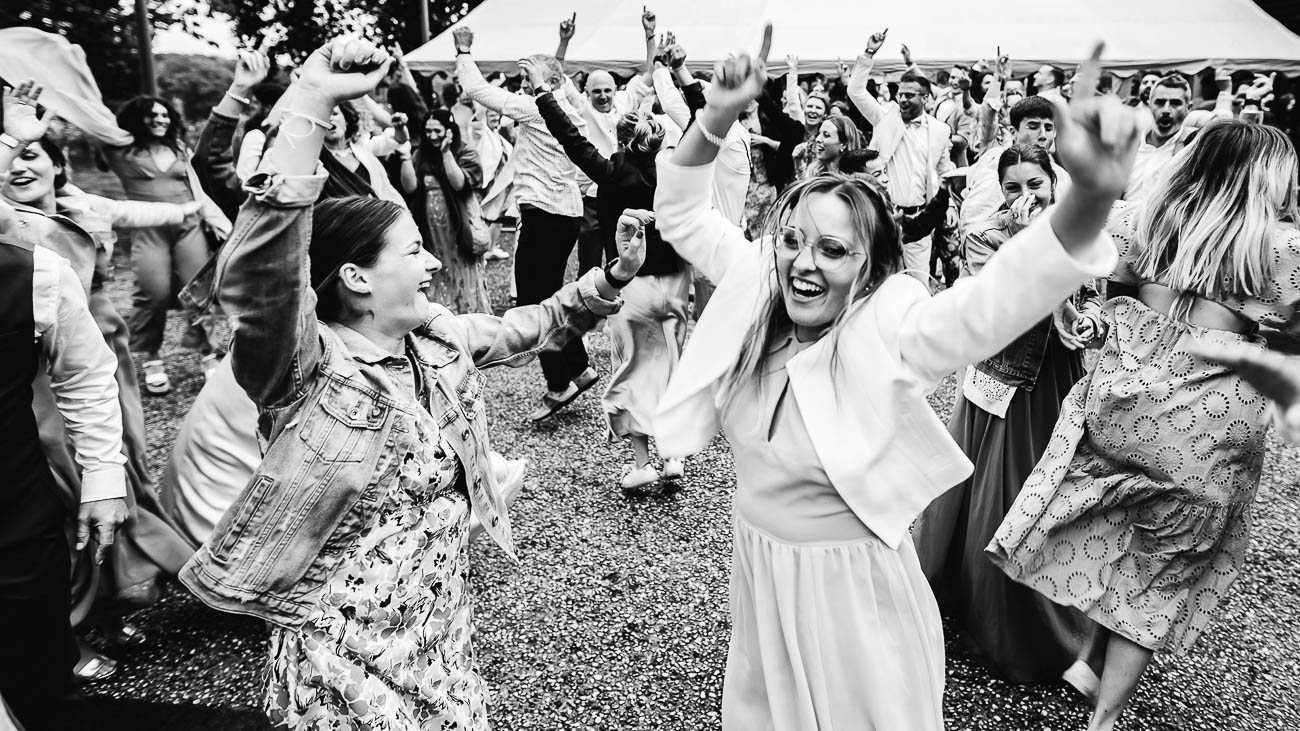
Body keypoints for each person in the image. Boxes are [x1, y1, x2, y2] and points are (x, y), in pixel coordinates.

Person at [653, 32, 1135, 730]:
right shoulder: (756, 286)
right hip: (760, 566)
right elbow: (683, 214)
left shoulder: (888, 321)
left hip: (848, 587)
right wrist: (717, 115)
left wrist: (1084, 203)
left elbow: (980, 311)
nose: (802, 264)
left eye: (832, 249)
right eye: (792, 239)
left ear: (871, 267)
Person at [177, 37, 645, 728]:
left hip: (437, 634)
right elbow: (264, 272)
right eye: (412, 250)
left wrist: (613, 276)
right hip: (341, 655)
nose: (431, 261)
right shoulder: (306, 370)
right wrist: (308, 95)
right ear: (357, 278)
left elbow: (534, 323)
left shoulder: (438, 340)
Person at [988, 120, 1300, 731]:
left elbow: (1090, 271)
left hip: (1127, 402)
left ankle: (1088, 660)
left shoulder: (1141, 220)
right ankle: (1105, 720)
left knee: (1121, 526)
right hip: (1209, 421)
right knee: (1162, 569)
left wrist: (1088, 316)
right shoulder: (1283, 249)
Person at [2, 88, 197, 683]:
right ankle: (67, 624)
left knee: (121, 472)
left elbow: (150, 211)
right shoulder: (14, 236)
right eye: (11, 160)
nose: (23, 165)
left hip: (108, 360)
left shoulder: (86, 207)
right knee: (62, 494)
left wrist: (199, 209)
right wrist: (12, 133)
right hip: (39, 383)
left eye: (36, 154)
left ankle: (109, 606)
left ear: (59, 164)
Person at [912, 144, 1100, 682]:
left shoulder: (1079, 232)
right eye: (1013, 187)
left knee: (1054, 492)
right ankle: (991, 610)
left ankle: (1054, 600)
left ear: (1052, 184)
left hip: (1059, 380)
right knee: (999, 493)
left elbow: (1092, 294)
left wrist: (1089, 320)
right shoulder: (984, 237)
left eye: (1034, 186)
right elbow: (998, 307)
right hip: (1006, 383)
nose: (1025, 197)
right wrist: (1025, 242)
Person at [0, 80, 129, 730]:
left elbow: (84, 375)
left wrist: (105, 477)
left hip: (13, 510)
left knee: (38, 674)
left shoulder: (37, 272)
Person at [528, 57, 690, 495]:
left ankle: (642, 463)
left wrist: (545, 92)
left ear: (622, 142)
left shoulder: (612, 172)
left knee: (633, 367)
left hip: (630, 283)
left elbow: (571, 138)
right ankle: (673, 455)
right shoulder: (673, 174)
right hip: (675, 280)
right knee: (671, 364)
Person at [453, 26, 602, 422]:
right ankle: (579, 366)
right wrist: (560, 51)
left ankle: (559, 383)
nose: (523, 87)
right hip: (566, 214)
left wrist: (464, 51)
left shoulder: (536, 107)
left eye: (527, 81)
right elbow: (557, 76)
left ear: (548, 83)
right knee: (552, 294)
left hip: (543, 213)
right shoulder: (572, 109)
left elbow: (477, 91)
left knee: (534, 303)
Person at [104, 96, 232, 394]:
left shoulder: (178, 148)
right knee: (153, 292)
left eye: (164, 115)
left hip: (189, 226)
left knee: (197, 290)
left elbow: (195, 189)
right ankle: (151, 357)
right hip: (149, 228)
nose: (160, 120)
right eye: (152, 115)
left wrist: (218, 221)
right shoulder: (120, 150)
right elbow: (94, 121)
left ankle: (208, 353)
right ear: (138, 119)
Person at [847, 30, 954, 282]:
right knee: (880, 281)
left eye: (909, 95)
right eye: (900, 94)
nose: (902, 99)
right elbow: (855, 91)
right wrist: (869, 52)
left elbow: (943, 171)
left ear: (925, 98)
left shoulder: (940, 131)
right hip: (883, 217)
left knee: (918, 282)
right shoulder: (885, 117)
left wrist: (948, 206)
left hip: (919, 222)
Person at [400, 107, 492, 314]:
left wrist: (446, 153)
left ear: (449, 131)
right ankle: (443, 312)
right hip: (430, 227)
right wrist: (405, 158)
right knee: (437, 267)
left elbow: (460, 184)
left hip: (459, 225)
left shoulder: (465, 152)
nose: (432, 136)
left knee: (461, 265)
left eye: (437, 131)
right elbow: (410, 188)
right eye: (428, 131)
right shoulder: (420, 155)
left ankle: (469, 312)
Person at [961, 96, 1073, 232]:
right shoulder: (998, 163)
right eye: (1033, 127)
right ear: (1013, 132)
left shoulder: (1061, 174)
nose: (1043, 135)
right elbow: (973, 222)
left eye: (1049, 128)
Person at [1123, 75, 1192, 201]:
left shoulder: (1191, 148)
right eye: (1160, 102)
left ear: (1188, 108)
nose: (1166, 110)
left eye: (1175, 103)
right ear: (1149, 105)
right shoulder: (1129, 143)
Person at [793, 116, 865, 179]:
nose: (818, 139)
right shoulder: (815, 172)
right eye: (819, 133)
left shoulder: (855, 180)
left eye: (826, 135)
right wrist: (798, 163)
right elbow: (805, 191)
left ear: (843, 144)